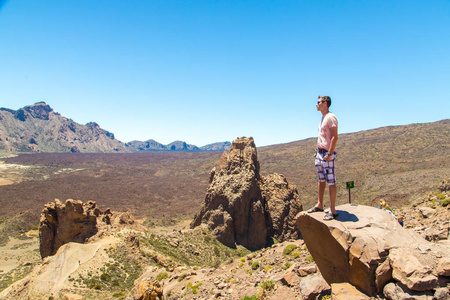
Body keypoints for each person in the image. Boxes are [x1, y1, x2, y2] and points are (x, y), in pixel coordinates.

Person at [307, 95, 339, 220]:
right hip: (320, 153)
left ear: (325, 103)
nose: (316, 104)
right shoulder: (323, 118)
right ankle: (320, 204)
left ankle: (333, 210)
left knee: (331, 181)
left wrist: (329, 154)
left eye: (318, 102)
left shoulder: (331, 117)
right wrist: (318, 152)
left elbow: (334, 137)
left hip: (327, 154)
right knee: (321, 180)